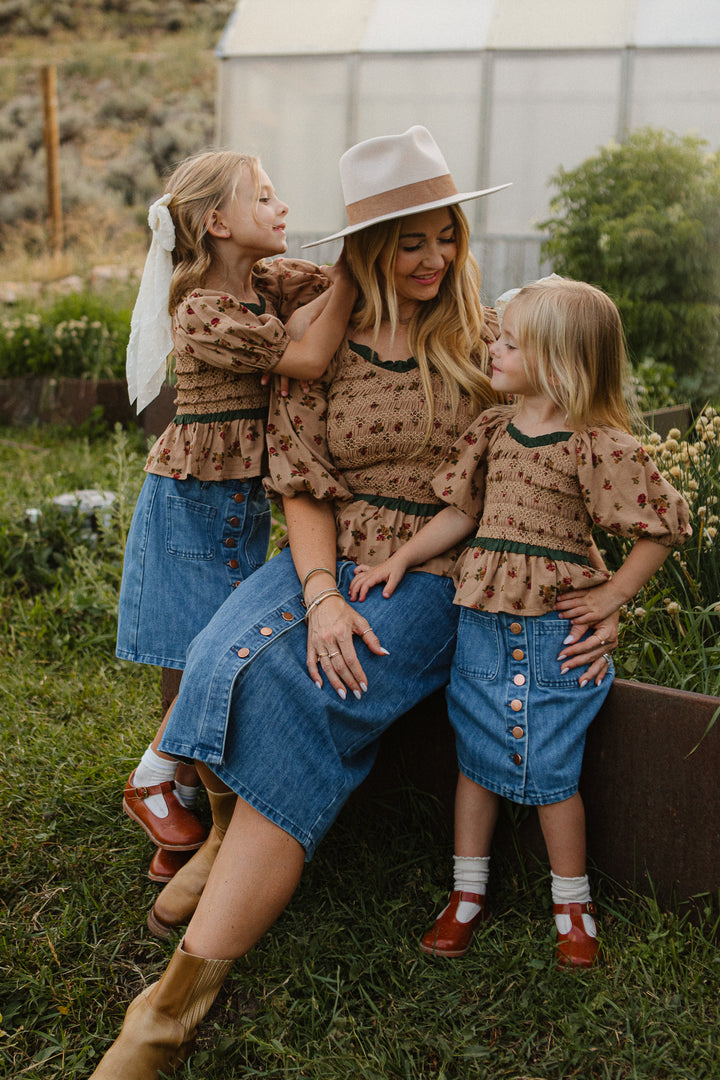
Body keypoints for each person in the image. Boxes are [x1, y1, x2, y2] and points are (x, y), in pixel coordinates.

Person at [89, 127, 612, 1079]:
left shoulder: (489, 338)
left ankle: (163, 1016)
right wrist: (321, 593)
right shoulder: (317, 343)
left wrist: (606, 588)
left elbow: (569, 449)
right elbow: (301, 481)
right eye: (408, 240)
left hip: (438, 572)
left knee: (296, 694)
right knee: (222, 653)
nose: (433, 258)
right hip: (331, 547)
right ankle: (221, 851)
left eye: (444, 235)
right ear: (371, 249)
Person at [350, 277, 692, 968]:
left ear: (560, 360)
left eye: (510, 342)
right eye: (498, 336)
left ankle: (573, 902)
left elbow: (663, 525)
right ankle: (466, 893)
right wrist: (401, 558)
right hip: (479, 621)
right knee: (475, 757)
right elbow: (461, 513)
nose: (494, 350)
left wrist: (613, 596)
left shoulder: (596, 445)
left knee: (554, 766)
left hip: (551, 632)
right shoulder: (491, 430)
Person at [116, 149, 356, 883]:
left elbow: (337, 298)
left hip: (235, 505)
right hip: (191, 501)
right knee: (191, 656)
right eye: (265, 197)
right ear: (216, 223)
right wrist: (354, 267)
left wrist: (358, 267)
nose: (282, 209)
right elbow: (310, 356)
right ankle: (161, 786)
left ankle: (182, 805)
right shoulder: (200, 313)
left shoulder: (268, 283)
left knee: (203, 648)